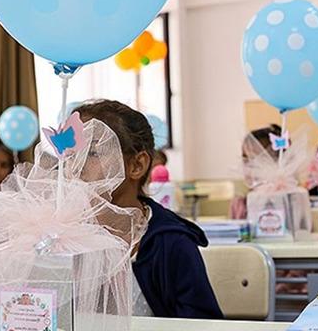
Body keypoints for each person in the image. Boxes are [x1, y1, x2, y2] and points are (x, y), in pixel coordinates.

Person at [73, 100, 223, 319]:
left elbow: (203, 324)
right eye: (71, 153)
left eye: (93, 153)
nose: (76, 166)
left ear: (137, 165)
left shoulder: (170, 243)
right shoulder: (61, 235)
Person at [229, 124, 281, 220]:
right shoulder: (239, 205)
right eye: (245, 158)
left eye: (255, 159)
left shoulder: (290, 199)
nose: (248, 166)